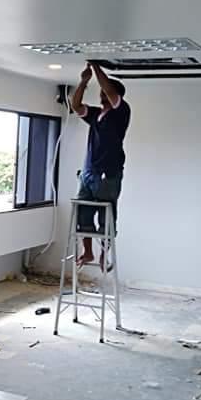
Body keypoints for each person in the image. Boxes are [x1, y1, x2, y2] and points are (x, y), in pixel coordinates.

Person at [70, 61, 131, 268]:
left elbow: (109, 89)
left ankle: (105, 254)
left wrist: (96, 67)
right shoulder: (96, 115)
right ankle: (87, 252)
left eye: (106, 92)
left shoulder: (121, 112)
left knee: (106, 216)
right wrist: (83, 81)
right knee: (83, 212)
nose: (102, 94)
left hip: (108, 174)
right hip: (88, 173)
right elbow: (76, 106)